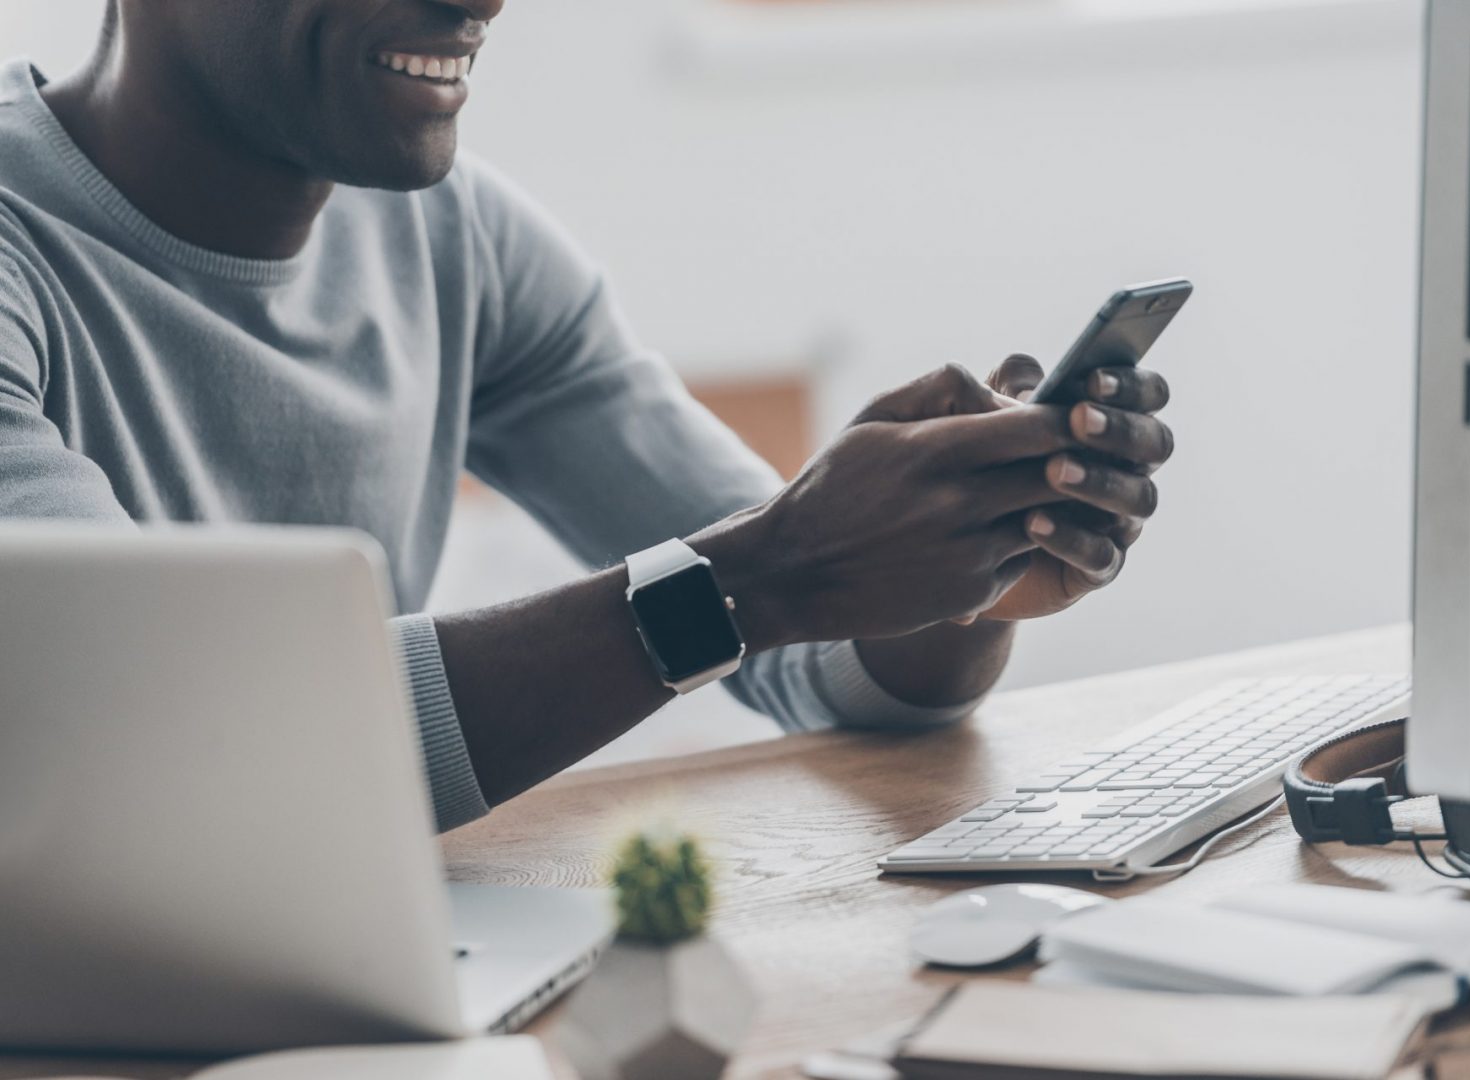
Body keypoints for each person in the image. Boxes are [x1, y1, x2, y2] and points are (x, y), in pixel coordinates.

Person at [0, 0, 1174, 832]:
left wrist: (952, 569)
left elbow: (813, 658)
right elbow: (162, 760)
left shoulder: (459, 240)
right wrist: (765, 577)